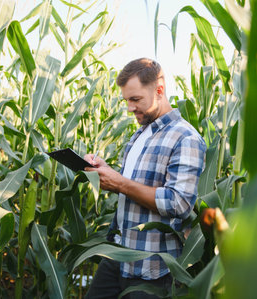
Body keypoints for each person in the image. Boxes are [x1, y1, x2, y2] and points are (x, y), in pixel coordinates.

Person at [83, 58, 206, 298]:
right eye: (126, 100)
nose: (130, 108)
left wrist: (120, 183)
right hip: (119, 255)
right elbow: (133, 186)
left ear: (159, 90)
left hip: (152, 268)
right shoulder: (140, 134)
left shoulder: (185, 138)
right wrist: (106, 172)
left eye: (135, 99)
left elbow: (178, 203)